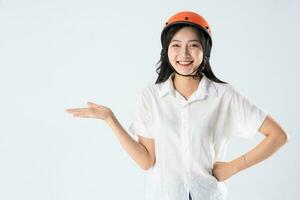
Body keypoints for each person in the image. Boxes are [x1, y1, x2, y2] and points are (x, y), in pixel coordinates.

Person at [65, 10, 290, 200]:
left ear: (205, 51)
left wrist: (233, 166)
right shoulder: (151, 97)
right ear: (166, 50)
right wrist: (110, 119)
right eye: (176, 45)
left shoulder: (224, 95)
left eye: (193, 45)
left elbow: (278, 135)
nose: (184, 54)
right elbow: (146, 161)